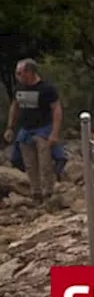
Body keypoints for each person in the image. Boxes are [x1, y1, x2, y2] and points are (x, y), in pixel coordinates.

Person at [4, 59, 63, 208]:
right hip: (25, 131)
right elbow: (15, 106)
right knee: (30, 164)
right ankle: (35, 192)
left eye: (20, 72)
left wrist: (55, 133)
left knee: (45, 164)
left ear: (29, 72)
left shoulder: (46, 89)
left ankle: (48, 192)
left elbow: (56, 109)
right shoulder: (19, 88)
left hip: (43, 129)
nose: (18, 76)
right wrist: (10, 127)